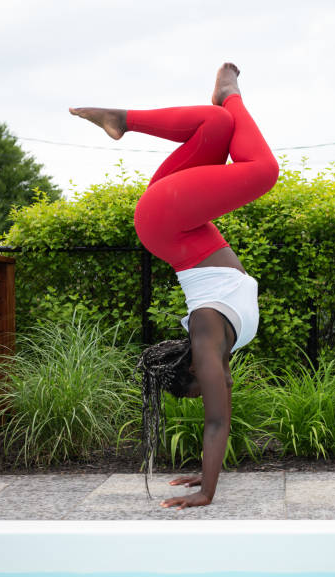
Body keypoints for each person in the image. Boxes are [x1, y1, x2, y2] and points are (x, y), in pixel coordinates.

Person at [69, 63, 279, 510]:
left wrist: (207, 492)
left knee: (263, 171)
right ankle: (125, 119)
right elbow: (222, 407)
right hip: (175, 217)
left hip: (167, 221)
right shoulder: (222, 342)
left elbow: (216, 422)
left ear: (191, 371)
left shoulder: (206, 337)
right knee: (216, 124)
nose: (210, 388)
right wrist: (202, 475)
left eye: (197, 387)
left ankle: (228, 92)